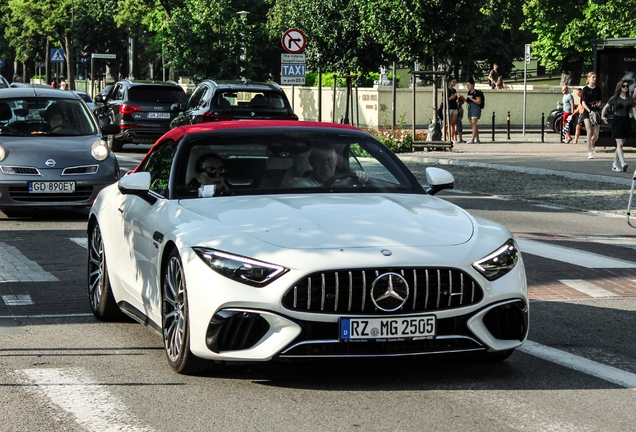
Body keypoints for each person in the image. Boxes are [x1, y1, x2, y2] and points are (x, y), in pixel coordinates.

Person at [284, 144, 368, 187]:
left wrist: (361, 179)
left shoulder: (343, 181)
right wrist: (348, 182)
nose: (325, 164)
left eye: (329, 159)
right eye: (320, 160)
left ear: (336, 160)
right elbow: (317, 192)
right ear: (311, 161)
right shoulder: (298, 183)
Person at [601, 80, 636, 172]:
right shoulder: (615, 98)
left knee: (620, 145)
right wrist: (602, 116)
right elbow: (606, 107)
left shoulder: (630, 99)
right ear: (620, 87)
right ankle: (623, 162)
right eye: (623, 86)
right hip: (617, 121)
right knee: (620, 144)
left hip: (626, 121)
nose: (625, 88)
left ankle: (614, 164)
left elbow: (634, 111)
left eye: (627, 86)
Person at [581, 72, 602, 159]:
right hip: (587, 112)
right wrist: (589, 111)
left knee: (596, 134)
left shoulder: (598, 89)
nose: (595, 79)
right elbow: (583, 102)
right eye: (593, 77)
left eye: (595, 77)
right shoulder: (585, 90)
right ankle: (590, 152)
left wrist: (598, 105)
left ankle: (591, 144)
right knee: (589, 131)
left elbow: (600, 101)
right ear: (588, 78)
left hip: (595, 112)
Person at [465, 77, 482, 143]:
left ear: (472, 85)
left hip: (475, 108)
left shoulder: (476, 92)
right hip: (470, 108)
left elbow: (479, 101)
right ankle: (477, 139)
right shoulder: (469, 92)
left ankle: (472, 139)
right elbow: (468, 101)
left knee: (474, 123)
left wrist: (472, 99)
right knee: (473, 124)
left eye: (468, 85)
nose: (467, 87)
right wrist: (464, 99)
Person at [446, 78, 459, 142]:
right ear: (450, 82)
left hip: (454, 107)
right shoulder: (446, 90)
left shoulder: (454, 90)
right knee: (447, 124)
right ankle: (446, 137)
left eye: (455, 82)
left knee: (453, 124)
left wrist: (458, 100)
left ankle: (452, 138)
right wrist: (451, 98)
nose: (454, 83)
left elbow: (456, 99)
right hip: (448, 108)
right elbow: (444, 100)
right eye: (453, 82)